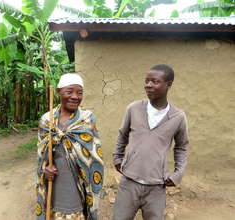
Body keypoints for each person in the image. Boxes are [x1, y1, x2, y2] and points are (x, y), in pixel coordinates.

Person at [112, 64, 189, 220]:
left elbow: (181, 147)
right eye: (147, 81)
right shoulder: (133, 109)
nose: (148, 85)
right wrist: (117, 158)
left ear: (169, 85)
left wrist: (178, 174)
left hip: (156, 187)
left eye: (155, 81)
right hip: (129, 183)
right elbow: (122, 135)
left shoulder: (178, 117)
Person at [35, 73, 104, 220]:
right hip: (55, 181)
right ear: (59, 92)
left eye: (79, 93)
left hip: (78, 181)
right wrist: (45, 170)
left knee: (77, 213)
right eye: (69, 92)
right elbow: (41, 156)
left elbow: (93, 154)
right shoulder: (47, 120)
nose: (75, 96)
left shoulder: (86, 118)